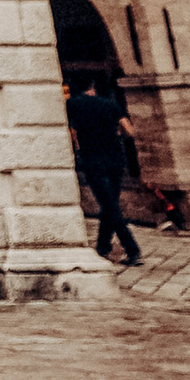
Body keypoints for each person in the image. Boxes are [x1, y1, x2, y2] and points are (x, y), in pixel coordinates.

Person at [67, 73, 143, 266]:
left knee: (109, 205)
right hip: (115, 159)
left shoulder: (72, 105)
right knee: (110, 204)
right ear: (91, 87)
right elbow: (130, 130)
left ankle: (132, 249)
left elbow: (72, 132)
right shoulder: (109, 104)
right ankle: (103, 246)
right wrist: (116, 133)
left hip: (93, 159)